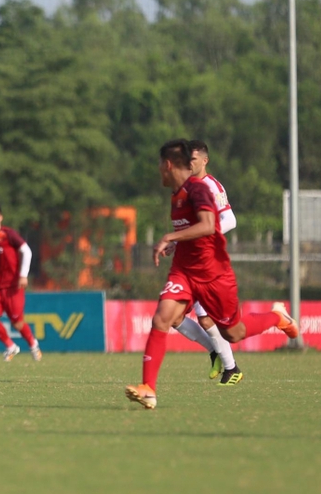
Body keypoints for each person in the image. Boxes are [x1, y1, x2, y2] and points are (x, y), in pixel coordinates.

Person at [125, 140, 298, 409]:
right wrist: (176, 242)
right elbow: (193, 228)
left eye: (160, 165)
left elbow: (209, 225)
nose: (158, 170)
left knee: (234, 332)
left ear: (169, 165)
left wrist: (171, 236)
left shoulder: (201, 189)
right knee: (164, 318)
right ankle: (148, 388)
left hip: (213, 274)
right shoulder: (177, 194)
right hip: (184, 272)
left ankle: (276, 317)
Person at [170, 140, 242, 385]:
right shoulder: (187, 188)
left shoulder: (211, 186)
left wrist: (206, 233)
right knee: (175, 318)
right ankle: (218, 355)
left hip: (205, 263)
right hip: (188, 262)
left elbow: (230, 220)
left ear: (204, 161)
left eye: (193, 159)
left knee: (207, 319)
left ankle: (231, 367)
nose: (189, 163)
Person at [0, 203, 41, 361]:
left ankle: (33, 343)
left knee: (17, 323)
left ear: (0, 217)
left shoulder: (8, 234)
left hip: (13, 287)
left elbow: (26, 251)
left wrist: (23, 275)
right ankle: (11, 346)